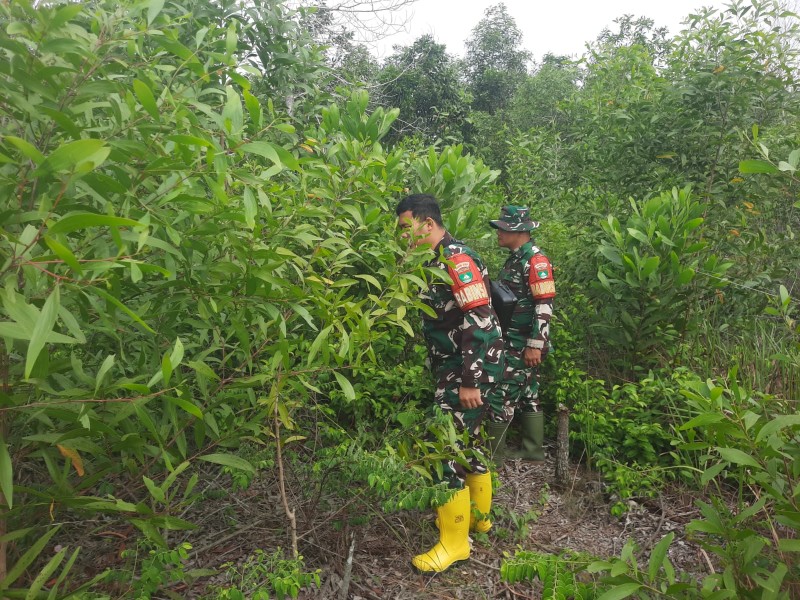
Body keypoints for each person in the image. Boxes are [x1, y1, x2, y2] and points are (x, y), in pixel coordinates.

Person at [395, 194, 505, 574]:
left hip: (467, 370)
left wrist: (470, 380)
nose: (402, 236)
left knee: (445, 451)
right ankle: (479, 520)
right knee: (469, 445)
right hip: (457, 368)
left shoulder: (455, 259)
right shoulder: (437, 259)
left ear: (427, 224)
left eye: (405, 228)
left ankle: (455, 543)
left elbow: (480, 319)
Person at [489, 205, 555, 462]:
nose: (498, 233)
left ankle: (495, 458)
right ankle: (532, 451)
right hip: (513, 340)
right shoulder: (516, 258)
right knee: (529, 393)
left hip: (522, 343)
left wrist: (535, 344)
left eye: (503, 228)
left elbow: (544, 304)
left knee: (500, 396)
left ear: (518, 230)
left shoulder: (536, 262)